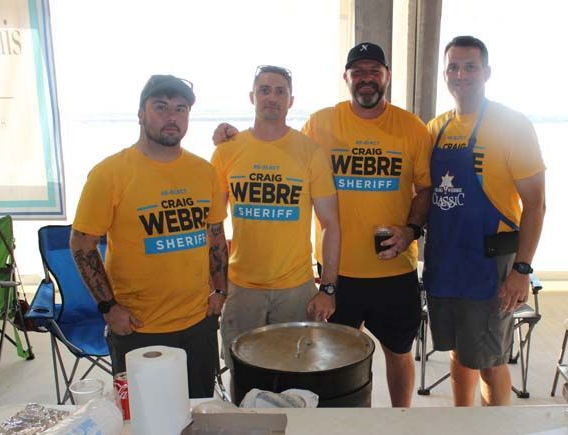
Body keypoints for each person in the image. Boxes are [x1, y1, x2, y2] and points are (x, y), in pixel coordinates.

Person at [214, 43, 432, 407]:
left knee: (398, 351)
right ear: (346, 78)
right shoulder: (321, 123)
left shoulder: (411, 127)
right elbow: (276, 144)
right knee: (331, 362)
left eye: (373, 71)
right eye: (357, 71)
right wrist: (231, 137)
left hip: (393, 267)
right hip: (338, 272)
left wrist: (410, 231)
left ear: (387, 77)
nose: (366, 78)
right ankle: (337, 424)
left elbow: (424, 188)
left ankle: (401, 419)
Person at [71, 74, 228, 399]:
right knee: (144, 422)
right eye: (161, 107)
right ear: (141, 113)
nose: (172, 117)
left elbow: (215, 235)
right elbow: (82, 244)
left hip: (198, 323)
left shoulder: (204, 172)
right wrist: (108, 307)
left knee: (198, 413)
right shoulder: (110, 173)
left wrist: (220, 290)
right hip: (138, 328)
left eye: (180, 109)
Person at [420, 36, 546, 407]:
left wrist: (521, 270)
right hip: (446, 260)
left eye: (470, 66)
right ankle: (464, 424)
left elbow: (536, 205)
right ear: (445, 74)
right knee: (459, 350)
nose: (461, 74)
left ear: (486, 72)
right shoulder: (436, 128)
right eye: (453, 67)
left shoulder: (512, 125)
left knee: (490, 359)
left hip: (490, 264)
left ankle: (493, 432)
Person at [211, 65, 340, 375]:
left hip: (295, 288)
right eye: (264, 90)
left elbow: (331, 225)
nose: (272, 97)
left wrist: (329, 289)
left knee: (297, 372)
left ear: (290, 100)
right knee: (242, 373)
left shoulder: (309, 152)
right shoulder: (227, 151)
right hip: (241, 286)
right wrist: (214, 287)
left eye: (280, 91)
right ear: (252, 96)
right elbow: (211, 226)